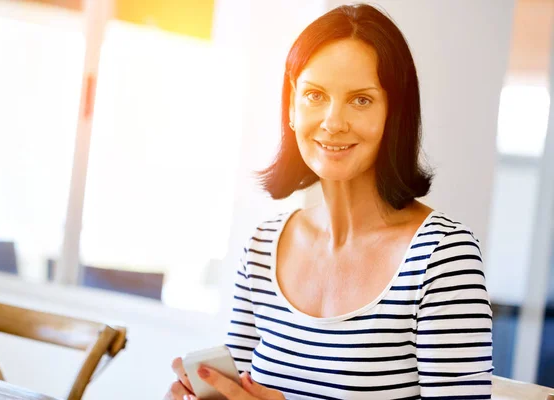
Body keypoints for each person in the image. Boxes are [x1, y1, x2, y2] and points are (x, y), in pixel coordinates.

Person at [166, 3, 493, 399]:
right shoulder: (262, 248)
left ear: (396, 115)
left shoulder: (443, 257)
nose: (333, 122)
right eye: (315, 95)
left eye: (361, 100)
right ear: (290, 107)